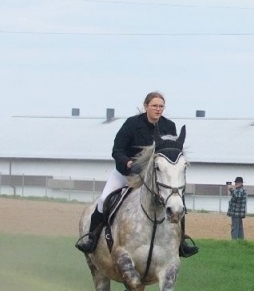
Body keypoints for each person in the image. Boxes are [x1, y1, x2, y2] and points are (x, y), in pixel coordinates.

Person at [79, 91, 196, 257]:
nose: (158, 109)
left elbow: (170, 152)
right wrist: (128, 163)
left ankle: (181, 242)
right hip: (128, 173)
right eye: (154, 106)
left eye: (161, 106)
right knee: (104, 199)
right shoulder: (132, 124)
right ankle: (91, 237)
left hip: (155, 175)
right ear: (146, 106)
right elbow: (117, 150)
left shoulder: (169, 126)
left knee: (177, 202)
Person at [227, 176, 247, 240]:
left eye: (237, 182)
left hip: (236, 212)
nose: (235, 183)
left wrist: (230, 189)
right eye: (235, 182)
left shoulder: (241, 190)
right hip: (238, 212)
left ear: (241, 183)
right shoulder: (239, 190)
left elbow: (237, 197)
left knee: (235, 227)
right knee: (240, 228)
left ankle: (234, 241)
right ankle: (241, 241)